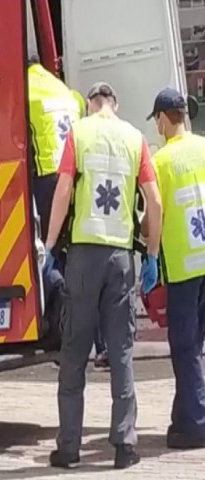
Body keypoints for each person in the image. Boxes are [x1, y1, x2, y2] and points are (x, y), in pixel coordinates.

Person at [44, 82, 162, 469]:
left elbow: (63, 191)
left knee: (75, 350)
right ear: (115, 104)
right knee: (122, 350)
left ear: (91, 105)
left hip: (83, 257)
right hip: (121, 258)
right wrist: (153, 252)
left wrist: (48, 246)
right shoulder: (135, 138)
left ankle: (69, 448)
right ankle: (125, 447)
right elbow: (155, 199)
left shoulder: (78, 132)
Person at [146, 87, 205, 449]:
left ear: (162, 120)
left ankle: (196, 422)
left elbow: (154, 212)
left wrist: (150, 256)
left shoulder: (161, 161)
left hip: (184, 268)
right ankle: (184, 417)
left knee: (184, 347)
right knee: (195, 345)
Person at [28, 53, 82, 243]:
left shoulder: (24, 88)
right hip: (75, 174)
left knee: (47, 243)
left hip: (48, 177)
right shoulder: (61, 87)